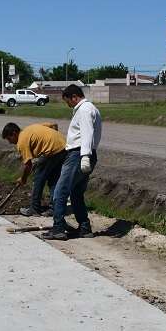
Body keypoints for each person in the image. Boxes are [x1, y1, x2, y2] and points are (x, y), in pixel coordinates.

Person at [43, 84, 102, 240]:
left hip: (78, 155)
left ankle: (58, 229)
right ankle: (85, 228)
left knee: (60, 191)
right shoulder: (90, 108)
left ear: (74, 96)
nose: (68, 104)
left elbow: (87, 134)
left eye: (67, 101)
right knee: (76, 194)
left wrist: (84, 156)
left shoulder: (84, 110)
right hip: (84, 154)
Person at [1, 122, 65, 217]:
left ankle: (34, 208)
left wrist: (23, 178)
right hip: (63, 146)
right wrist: (51, 142)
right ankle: (54, 208)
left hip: (50, 151)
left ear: (14, 134)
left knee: (38, 179)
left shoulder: (21, 142)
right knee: (53, 180)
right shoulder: (30, 128)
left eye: (9, 139)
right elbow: (53, 125)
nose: (10, 142)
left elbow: (28, 165)